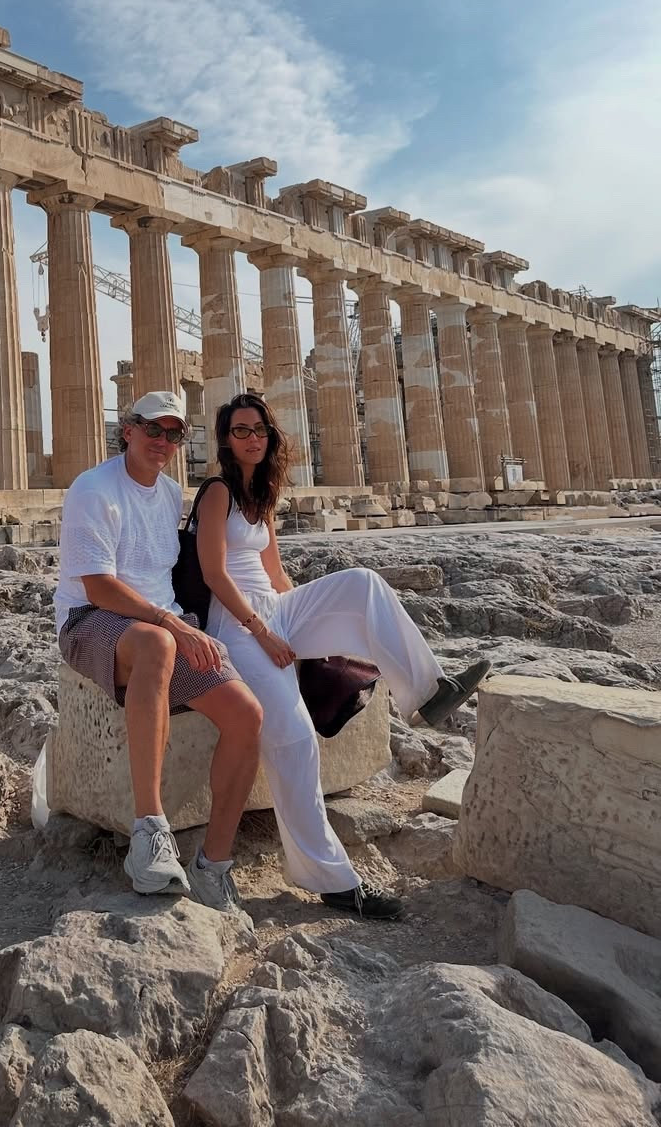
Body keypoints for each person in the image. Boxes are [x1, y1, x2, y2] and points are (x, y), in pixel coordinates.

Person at [196, 391, 491, 920]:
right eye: (240, 430)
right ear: (225, 439)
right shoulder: (216, 492)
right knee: (294, 737)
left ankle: (428, 693)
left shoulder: (260, 495)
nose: (253, 437)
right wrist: (265, 633)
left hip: (274, 607)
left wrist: (309, 630)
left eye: (259, 428)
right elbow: (216, 574)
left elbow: (276, 573)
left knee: (362, 584)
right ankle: (331, 880)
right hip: (237, 624)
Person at [55, 390, 263, 914]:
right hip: (90, 621)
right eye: (154, 430)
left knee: (246, 714)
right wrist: (173, 624)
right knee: (157, 642)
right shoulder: (93, 488)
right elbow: (99, 587)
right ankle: (149, 831)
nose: (164, 442)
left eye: (175, 434)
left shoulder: (172, 493)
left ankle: (213, 865)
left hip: (164, 625)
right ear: (128, 430)